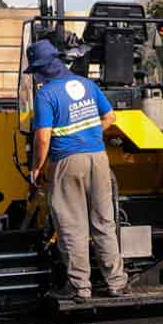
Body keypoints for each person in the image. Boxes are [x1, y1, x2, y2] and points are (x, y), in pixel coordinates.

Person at [30, 40, 129, 302]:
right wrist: (90, 133)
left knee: (72, 226)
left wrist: (38, 168)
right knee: (103, 221)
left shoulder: (46, 94)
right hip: (98, 158)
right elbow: (110, 118)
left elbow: (42, 138)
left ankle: (80, 288)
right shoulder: (87, 84)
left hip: (66, 161)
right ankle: (116, 283)